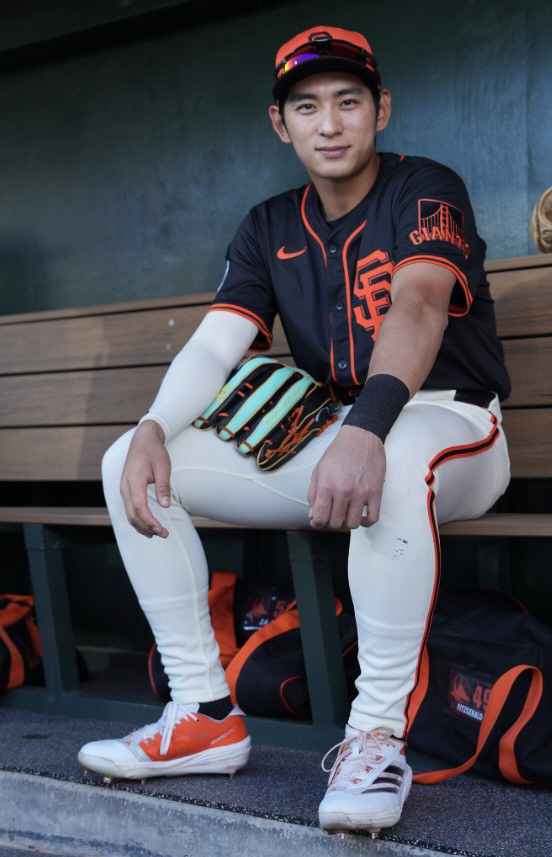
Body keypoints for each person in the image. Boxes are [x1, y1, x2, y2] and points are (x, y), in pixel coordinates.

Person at [77, 25, 511, 836]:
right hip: (346, 431)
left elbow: (416, 303)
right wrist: (151, 426)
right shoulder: (268, 222)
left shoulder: (425, 188)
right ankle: (202, 710)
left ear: (379, 109)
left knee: (400, 448)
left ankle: (375, 735)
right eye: (307, 106)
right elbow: (214, 344)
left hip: (453, 425)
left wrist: (370, 425)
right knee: (126, 463)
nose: (330, 122)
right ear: (282, 125)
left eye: (349, 101)